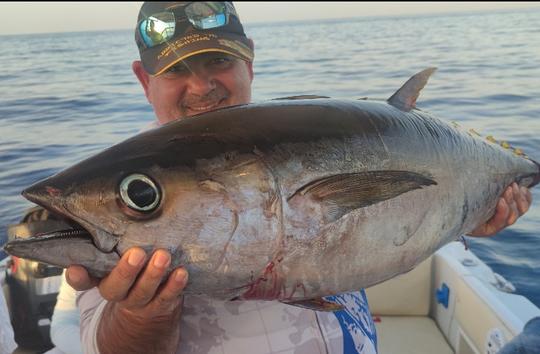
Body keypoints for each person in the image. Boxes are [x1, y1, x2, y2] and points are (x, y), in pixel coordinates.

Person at [47, 2, 532, 354]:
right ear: (142, 78)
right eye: (176, 69)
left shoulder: (304, 135)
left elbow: (390, 224)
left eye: (219, 61)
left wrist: (467, 214)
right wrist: (138, 312)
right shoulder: (113, 201)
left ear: (249, 61)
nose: (202, 85)